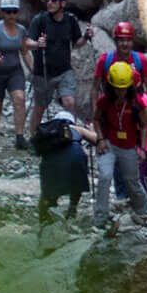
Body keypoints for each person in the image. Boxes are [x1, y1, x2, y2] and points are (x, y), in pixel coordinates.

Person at [95, 24, 147, 206]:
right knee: (115, 155)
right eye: (121, 40)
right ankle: (123, 196)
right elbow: (95, 89)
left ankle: (137, 198)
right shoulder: (105, 61)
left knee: (134, 154)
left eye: (128, 40)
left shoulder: (140, 61)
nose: (125, 44)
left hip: (134, 114)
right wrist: (95, 114)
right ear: (115, 41)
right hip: (111, 115)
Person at [91, 59, 147, 227]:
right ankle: (100, 217)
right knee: (105, 177)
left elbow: (143, 127)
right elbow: (96, 120)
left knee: (132, 181)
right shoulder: (104, 101)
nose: (120, 92)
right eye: (117, 89)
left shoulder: (136, 102)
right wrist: (99, 139)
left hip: (129, 147)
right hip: (109, 144)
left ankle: (144, 211)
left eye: (124, 88)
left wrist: (142, 148)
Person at [33, 96, 95, 235]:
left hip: (51, 163)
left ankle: (46, 217)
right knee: (76, 183)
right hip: (76, 159)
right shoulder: (76, 129)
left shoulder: (48, 131)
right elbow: (96, 140)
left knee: (49, 193)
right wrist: (91, 129)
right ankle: (72, 208)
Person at [0, 0, 35, 152]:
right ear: (3, 13)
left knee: (19, 99)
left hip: (14, 71)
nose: (11, 15)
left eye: (14, 12)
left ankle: (19, 137)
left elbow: (24, 52)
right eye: (8, 12)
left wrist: (33, 70)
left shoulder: (21, 30)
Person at [28, 0, 85, 129]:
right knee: (40, 107)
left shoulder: (70, 21)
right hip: (43, 73)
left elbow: (77, 42)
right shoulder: (40, 20)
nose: (50, 3)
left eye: (54, 0)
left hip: (64, 71)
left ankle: (73, 136)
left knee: (69, 102)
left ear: (63, 3)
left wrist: (86, 37)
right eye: (48, 0)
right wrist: (37, 43)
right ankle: (34, 138)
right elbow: (27, 42)